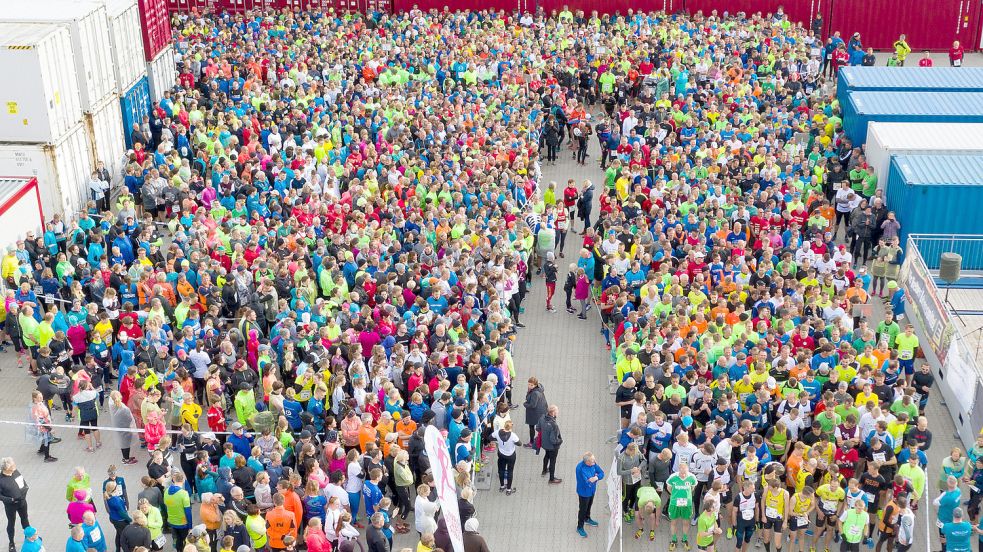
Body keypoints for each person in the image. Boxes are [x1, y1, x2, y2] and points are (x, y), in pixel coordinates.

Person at [0, 458, 29, 552]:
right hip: (10, 506)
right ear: (7, 468)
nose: (15, 466)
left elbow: (24, 484)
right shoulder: (1, 480)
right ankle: (11, 543)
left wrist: (22, 495)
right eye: (12, 465)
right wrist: (10, 500)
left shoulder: (15, 472)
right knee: (11, 523)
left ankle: (28, 537)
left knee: (25, 519)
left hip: (22, 502)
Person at [574, 452, 604, 538]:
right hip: (584, 493)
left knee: (589, 505)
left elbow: (601, 473)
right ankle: (579, 527)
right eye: (592, 461)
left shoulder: (593, 464)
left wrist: (596, 477)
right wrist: (594, 478)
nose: (594, 462)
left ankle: (587, 518)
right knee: (583, 509)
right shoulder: (580, 468)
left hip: (592, 491)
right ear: (587, 462)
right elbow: (586, 483)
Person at [493, 421, 521, 495]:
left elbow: (490, 437)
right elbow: (519, 443)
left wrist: (498, 440)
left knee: (501, 470)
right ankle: (508, 489)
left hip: (501, 454)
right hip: (511, 455)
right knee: (510, 471)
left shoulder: (497, 432)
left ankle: (502, 486)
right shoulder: (513, 435)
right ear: (511, 428)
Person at [538, 405, 563, 484]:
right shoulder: (553, 425)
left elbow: (537, 428)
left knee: (546, 455)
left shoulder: (542, 418)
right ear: (553, 413)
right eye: (557, 411)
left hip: (544, 443)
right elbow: (553, 440)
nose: (558, 412)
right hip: (552, 447)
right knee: (553, 461)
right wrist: (560, 441)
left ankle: (544, 470)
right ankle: (552, 479)